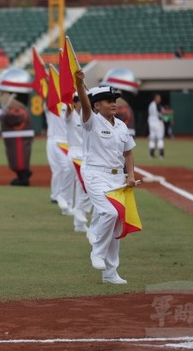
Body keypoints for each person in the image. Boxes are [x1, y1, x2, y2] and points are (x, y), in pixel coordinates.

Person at [76, 71, 137, 285]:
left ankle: (110, 273)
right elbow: (83, 103)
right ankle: (97, 252)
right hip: (94, 174)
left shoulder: (121, 126)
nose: (113, 104)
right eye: (107, 101)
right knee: (108, 213)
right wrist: (79, 83)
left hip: (117, 178)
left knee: (117, 225)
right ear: (96, 106)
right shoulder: (90, 121)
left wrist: (130, 175)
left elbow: (128, 153)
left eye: (114, 101)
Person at [0, 67, 35, 186]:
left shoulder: (19, 112)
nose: (1, 97)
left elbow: (13, 119)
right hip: (14, 140)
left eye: (3, 94)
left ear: (13, 96)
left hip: (19, 141)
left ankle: (23, 177)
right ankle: (22, 174)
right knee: (13, 158)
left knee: (19, 158)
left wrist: (2, 116)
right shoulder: (15, 110)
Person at [65, 93, 91, 232]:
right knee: (87, 186)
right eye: (79, 101)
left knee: (82, 188)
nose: (82, 103)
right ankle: (78, 211)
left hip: (85, 155)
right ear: (74, 103)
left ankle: (79, 224)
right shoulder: (71, 116)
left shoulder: (86, 117)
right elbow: (68, 108)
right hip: (75, 155)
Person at [45, 94, 73, 215]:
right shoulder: (53, 104)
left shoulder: (72, 103)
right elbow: (47, 98)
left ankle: (60, 195)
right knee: (60, 169)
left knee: (67, 169)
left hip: (66, 142)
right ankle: (58, 195)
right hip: (56, 140)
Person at [147, 93, 165, 159]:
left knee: (152, 139)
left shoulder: (151, 105)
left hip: (151, 123)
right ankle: (161, 155)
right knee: (160, 139)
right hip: (157, 123)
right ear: (155, 98)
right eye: (158, 98)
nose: (159, 99)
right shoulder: (156, 105)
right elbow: (162, 112)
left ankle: (151, 155)